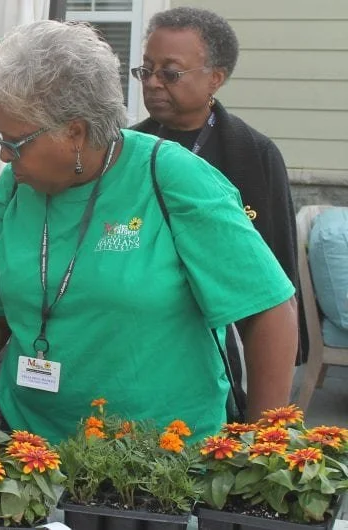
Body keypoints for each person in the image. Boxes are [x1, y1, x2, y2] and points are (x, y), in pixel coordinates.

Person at [0, 20, 298, 444]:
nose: (3, 154)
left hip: (161, 461)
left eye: (15, 142)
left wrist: (265, 450)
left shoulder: (172, 177)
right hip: (30, 453)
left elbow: (268, 309)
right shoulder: (14, 190)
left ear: (75, 132)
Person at [131, 6, 306, 408]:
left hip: (220, 345)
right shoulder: (127, 149)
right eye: (146, 70)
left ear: (216, 78)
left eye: (170, 73)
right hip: (142, 337)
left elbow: (277, 268)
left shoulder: (254, 154)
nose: (154, 83)